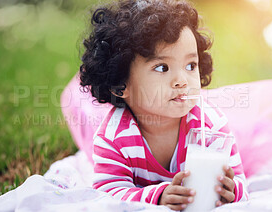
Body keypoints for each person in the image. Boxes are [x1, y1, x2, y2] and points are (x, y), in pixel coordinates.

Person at [78, 0, 248, 210]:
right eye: (162, 68)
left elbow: (240, 184)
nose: (182, 80)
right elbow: (108, 194)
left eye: (190, 65)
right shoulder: (113, 138)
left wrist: (232, 192)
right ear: (120, 85)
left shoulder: (211, 126)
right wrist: (157, 197)